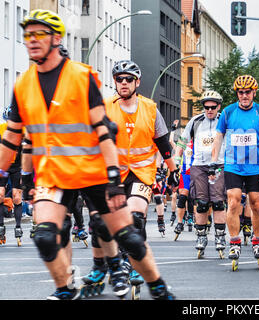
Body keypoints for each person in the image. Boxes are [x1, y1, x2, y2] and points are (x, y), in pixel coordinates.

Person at [2, 10, 175, 300]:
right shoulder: (23, 85)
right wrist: (12, 176)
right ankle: (70, 284)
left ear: (56, 39)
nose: (31, 41)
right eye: (28, 34)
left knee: (129, 231)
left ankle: (155, 286)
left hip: (101, 171)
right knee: (48, 235)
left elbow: (118, 135)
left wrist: (158, 172)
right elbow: (17, 139)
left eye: (39, 34)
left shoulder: (86, 80)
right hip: (55, 174)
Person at [102, 59, 179, 287]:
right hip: (114, 174)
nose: (123, 83)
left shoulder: (150, 108)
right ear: (115, 82)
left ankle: (133, 261)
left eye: (128, 79)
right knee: (116, 222)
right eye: (119, 79)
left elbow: (163, 144)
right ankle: (123, 258)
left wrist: (173, 171)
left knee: (136, 214)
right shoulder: (106, 108)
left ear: (137, 82)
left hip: (142, 171)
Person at [210, 75, 259, 265]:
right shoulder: (228, 112)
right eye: (240, 92)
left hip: (255, 165)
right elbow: (218, 137)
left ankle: (258, 241)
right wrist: (214, 161)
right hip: (233, 165)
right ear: (237, 93)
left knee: (255, 203)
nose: (244, 95)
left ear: (254, 92)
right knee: (233, 201)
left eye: (247, 92)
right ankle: (235, 241)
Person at [173, 90, 227, 258]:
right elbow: (182, 140)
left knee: (218, 202)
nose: (209, 110)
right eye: (206, 107)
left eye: (212, 107)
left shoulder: (224, 121)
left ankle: (220, 237)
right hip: (199, 165)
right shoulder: (195, 121)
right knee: (202, 202)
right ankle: (201, 237)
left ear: (218, 106)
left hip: (218, 164)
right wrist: (176, 160)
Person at [0, 106, 25, 245]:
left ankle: (18, 226)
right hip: (3, 165)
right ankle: (0, 226)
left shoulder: (23, 131)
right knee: (0, 194)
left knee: (16, 197)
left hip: (17, 167)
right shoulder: (1, 129)